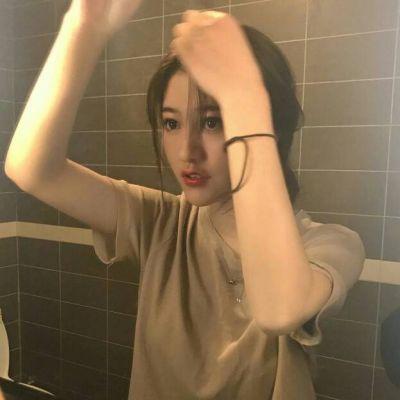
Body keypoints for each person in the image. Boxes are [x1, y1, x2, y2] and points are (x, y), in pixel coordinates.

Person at [4, 1, 366, 399]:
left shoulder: (330, 245)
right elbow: (32, 170)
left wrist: (243, 96)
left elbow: (279, 310)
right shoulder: (162, 222)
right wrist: (83, 28)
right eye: (172, 123)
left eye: (212, 121)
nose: (186, 152)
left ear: (268, 126)